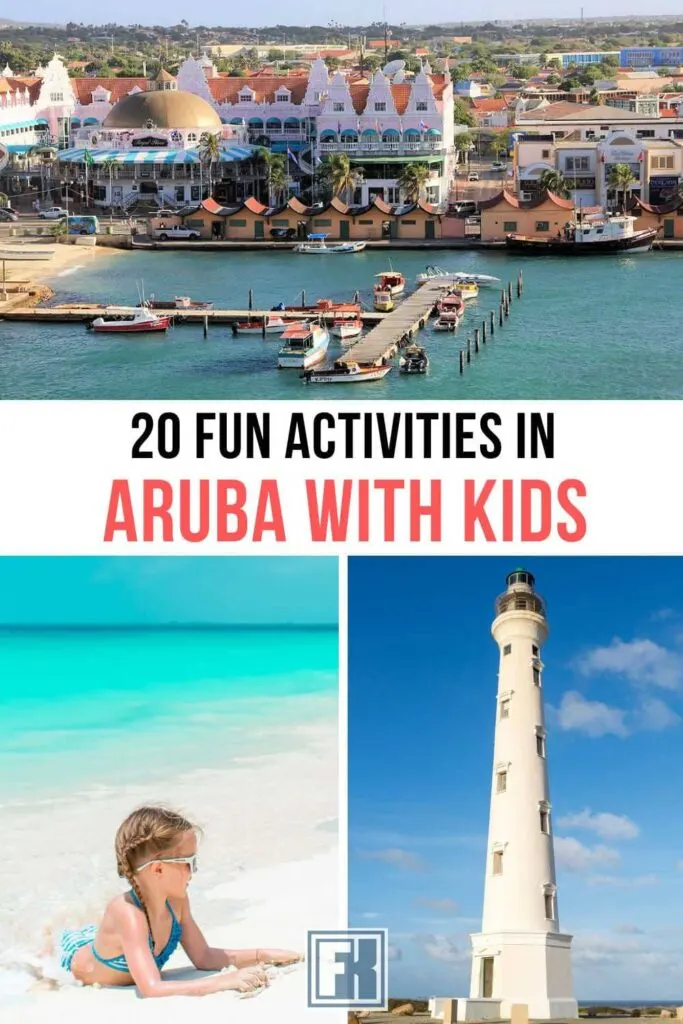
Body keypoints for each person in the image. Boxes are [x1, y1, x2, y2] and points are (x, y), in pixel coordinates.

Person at [58, 805, 302, 998]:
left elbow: (204, 957)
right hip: (70, 958)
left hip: (104, 940)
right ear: (157, 870)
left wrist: (263, 953)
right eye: (189, 863)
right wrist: (223, 982)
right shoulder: (128, 914)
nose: (193, 871)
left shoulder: (178, 902)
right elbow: (151, 988)